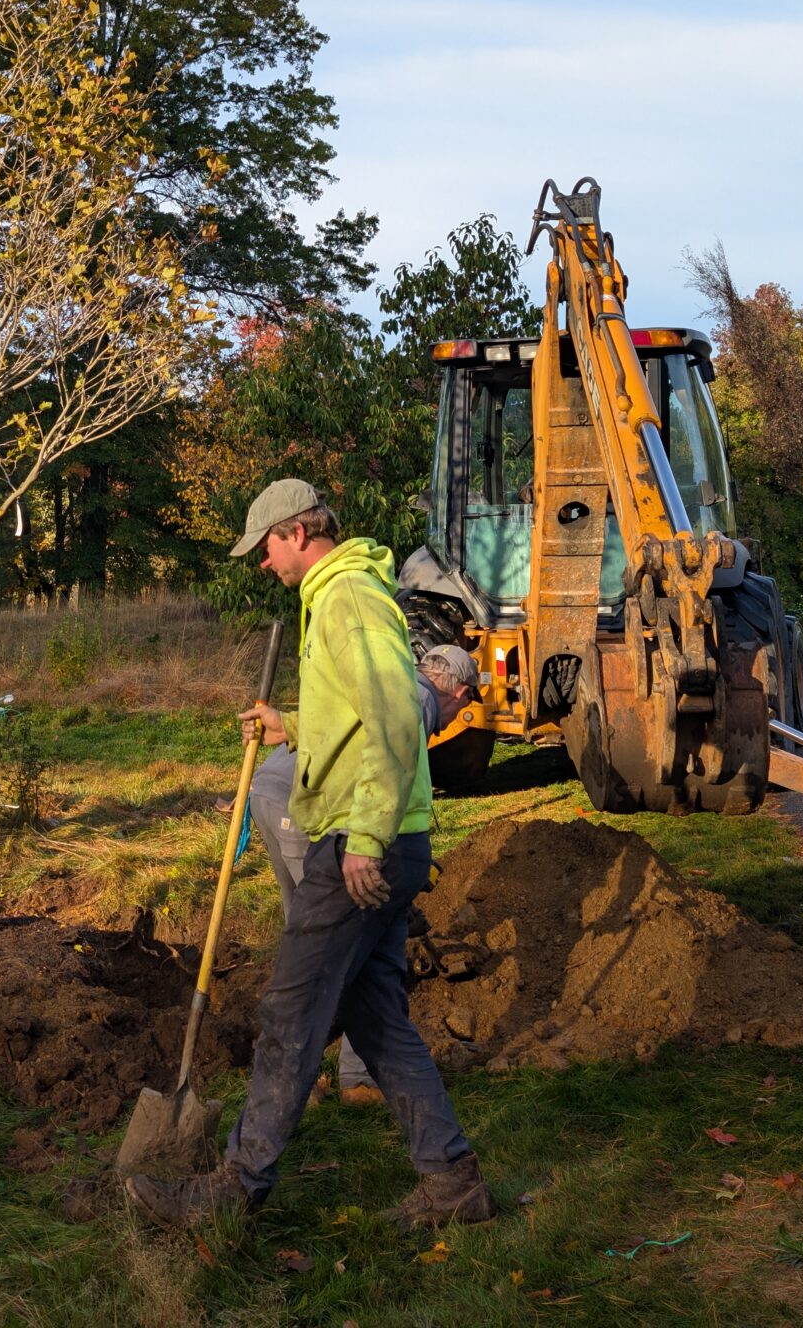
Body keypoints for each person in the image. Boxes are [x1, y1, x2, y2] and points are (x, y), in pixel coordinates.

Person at [128, 479, 489, 1233]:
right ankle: (453, 1180)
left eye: (265, 548)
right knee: (378, 1021)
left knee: (289, 1014)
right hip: (383, 840)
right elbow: (354, 717)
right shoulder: (336, 596)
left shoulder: (348, 597)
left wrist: (365, 841)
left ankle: (236, 1189)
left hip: (363, 845)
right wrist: (292, 726)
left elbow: (397, 718)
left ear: (297, 532)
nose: (263, 564)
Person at [249, 640, 479, 1105]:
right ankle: (346, 1080)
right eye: (465, 709)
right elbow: (379, 778)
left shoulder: (389, 682)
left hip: (269, 791)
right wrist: (380, 855)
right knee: (343, 949)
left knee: (306, 940)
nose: (457, 721)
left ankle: (292, 1078)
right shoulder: (418, 702)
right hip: (306, 808)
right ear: (461, 694)